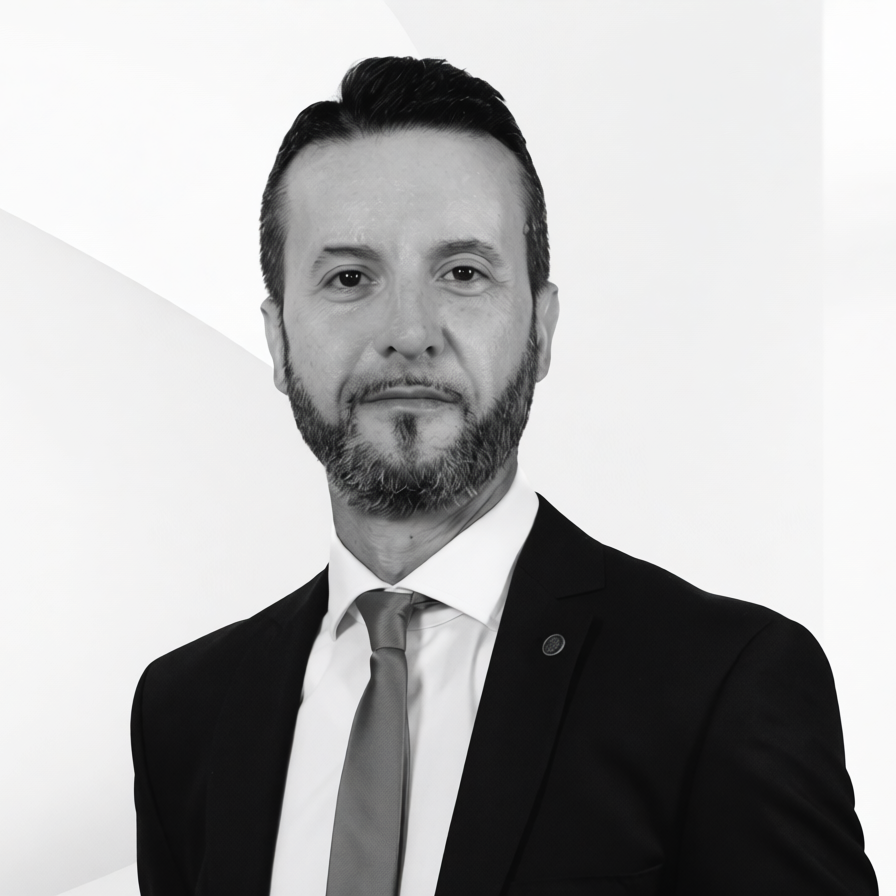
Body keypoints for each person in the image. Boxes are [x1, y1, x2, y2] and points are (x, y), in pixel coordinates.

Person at [131, 56, 877, 896]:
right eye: (349, 278)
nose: (408, 331)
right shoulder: (185, 712)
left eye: (462, 273)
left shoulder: (721, 686)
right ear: (277, 339)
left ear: (541, 329)